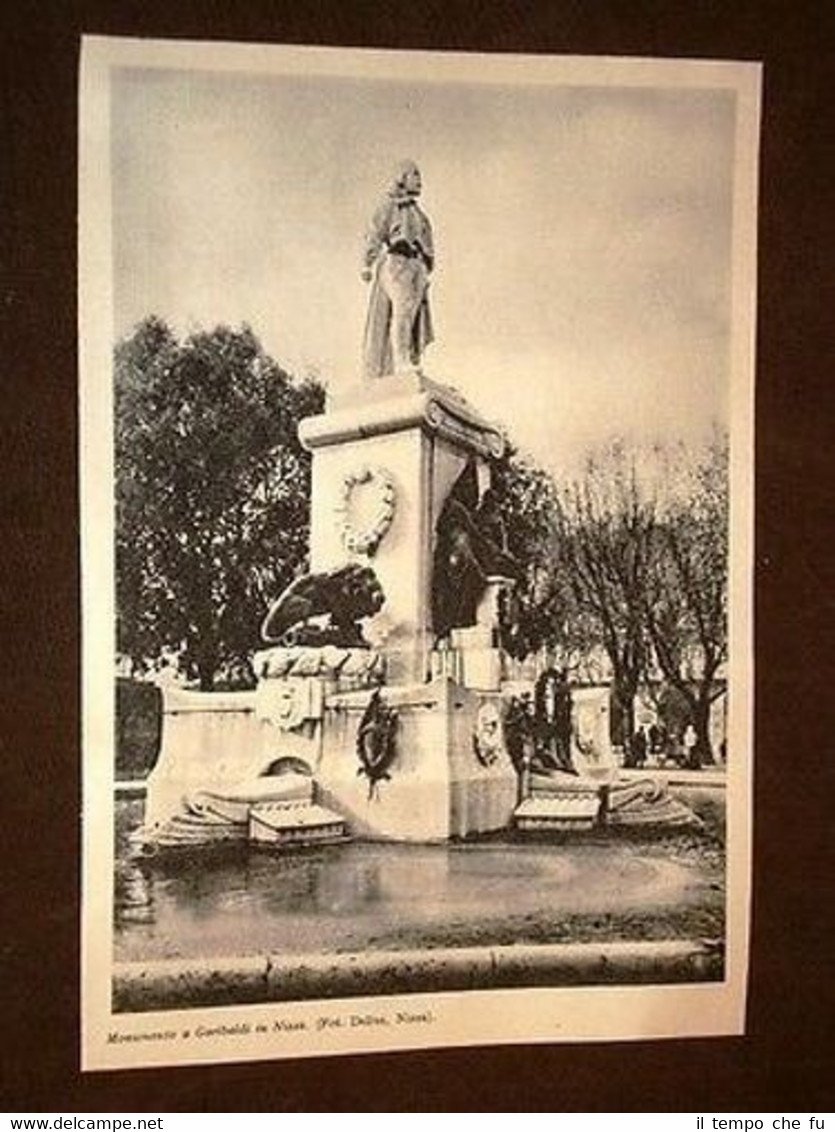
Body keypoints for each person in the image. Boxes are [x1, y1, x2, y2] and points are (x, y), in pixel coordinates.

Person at [362, 160, 434, 379]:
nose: (419, 180)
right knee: (402, 310)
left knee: (412, 316)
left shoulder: (421, 216)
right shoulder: (389, 206)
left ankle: (408, 358)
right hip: (396, 261)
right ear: (402, 177)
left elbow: (428, 244)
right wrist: (367, 262)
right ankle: (401, 361)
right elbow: (374, 232)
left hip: (417, 266)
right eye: (415, 175)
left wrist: (424, 266)